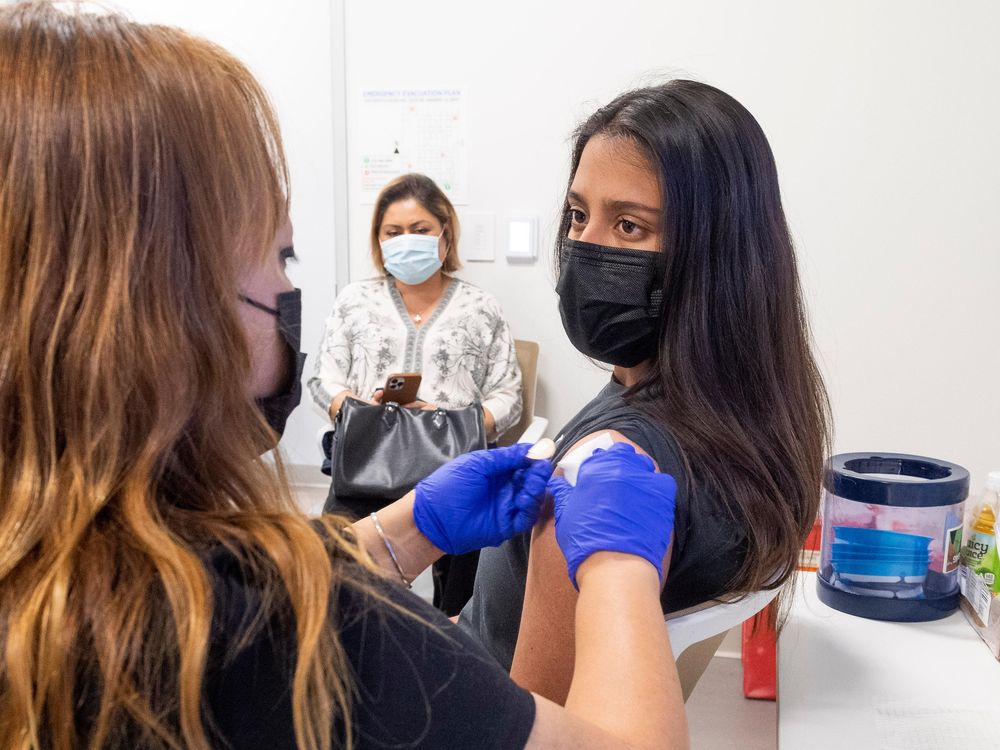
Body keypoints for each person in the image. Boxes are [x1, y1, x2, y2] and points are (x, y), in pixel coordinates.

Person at [0, 4, 691, 749]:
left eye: (628, 225)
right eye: (280, 257)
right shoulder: (306, 645)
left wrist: (403, 532)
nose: (289, 291)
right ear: (172, 307)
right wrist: (619, 569)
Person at [459, 80, 831, 702]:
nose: (584, 247)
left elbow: (537, 729)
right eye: (579, 215)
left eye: (629, 226)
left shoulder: (607, 470)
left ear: (716, 255)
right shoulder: (756, 418)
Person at [308, 173, 522, 613]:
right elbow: (321, 379)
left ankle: (454, 643)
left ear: (445, 234)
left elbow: (508, 394)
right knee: (336, 576)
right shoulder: (354, 301)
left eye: (420, 230)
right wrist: (360, 410)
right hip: (368, 464)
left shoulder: (481, 308)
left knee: (465, 586)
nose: (407, 240)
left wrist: (446, 422)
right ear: (379, 240)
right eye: (394, 232)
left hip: (453, 464)